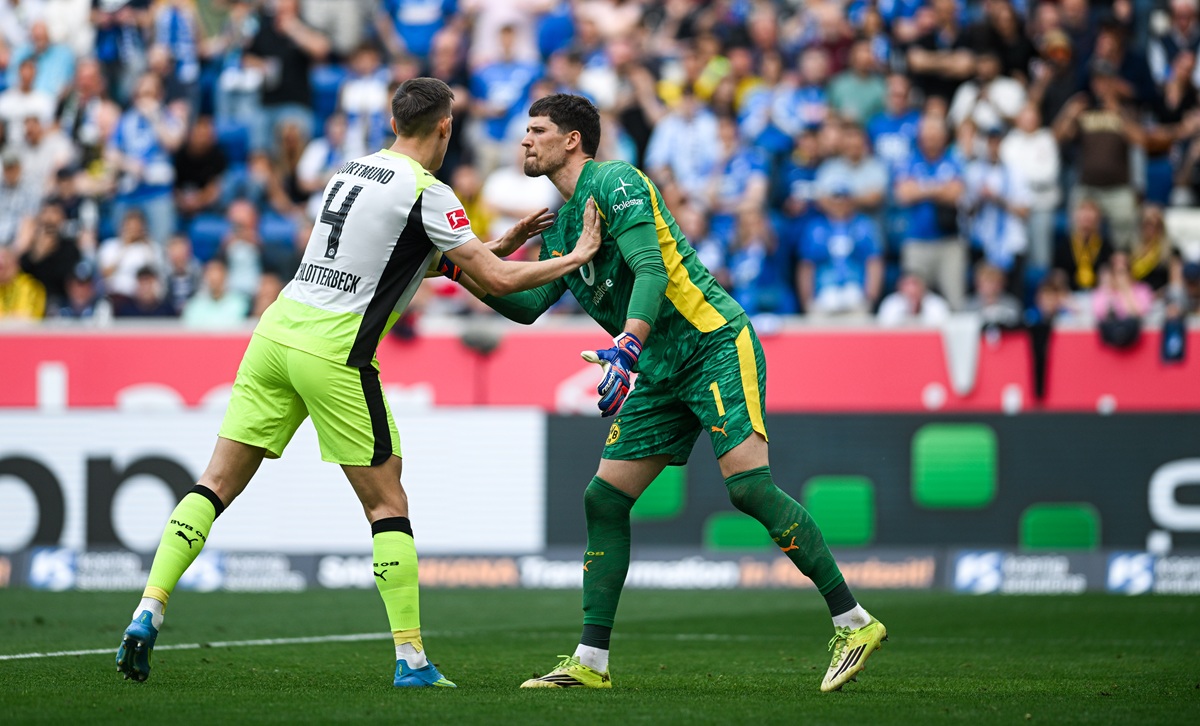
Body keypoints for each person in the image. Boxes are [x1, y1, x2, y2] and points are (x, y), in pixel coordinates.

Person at [114, 78, 601, 690]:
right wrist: (576, 255)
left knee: (213, 483)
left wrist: (495, 244)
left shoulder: (351, 170)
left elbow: (404, 253)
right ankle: (412, 660)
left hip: (274, 335)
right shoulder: (429, 191)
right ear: (444, 128)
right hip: (335, 351)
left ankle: (148, 609)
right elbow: (498, 281)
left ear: (395, 123)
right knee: (386, 503)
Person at [453, 94, 885, 692]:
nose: (524, 140)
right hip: (658, 369)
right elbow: (526, 305)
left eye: (537, 130)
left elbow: (651, 270)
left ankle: (854, 621)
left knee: (748, 488)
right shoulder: (562, 226)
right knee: (604, 499)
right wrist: (457, 266)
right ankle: (590, 662)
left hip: (712, 343)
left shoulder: (617, 181)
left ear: (572, 140)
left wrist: (627, 345)